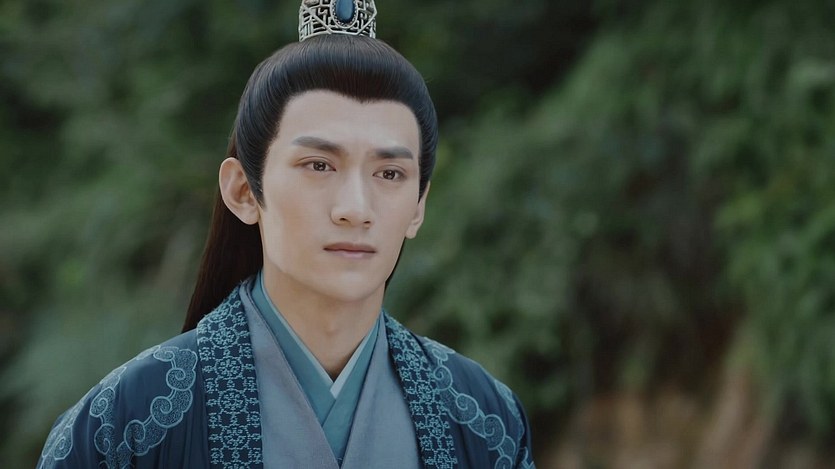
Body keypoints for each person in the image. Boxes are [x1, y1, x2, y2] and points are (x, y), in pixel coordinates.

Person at [37, 1, 535, 467]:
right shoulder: (122, 424)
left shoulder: (487, 422)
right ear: (242, 191)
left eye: (389, 173)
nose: (355, 209)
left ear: (418, 206)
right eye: (319, 165)